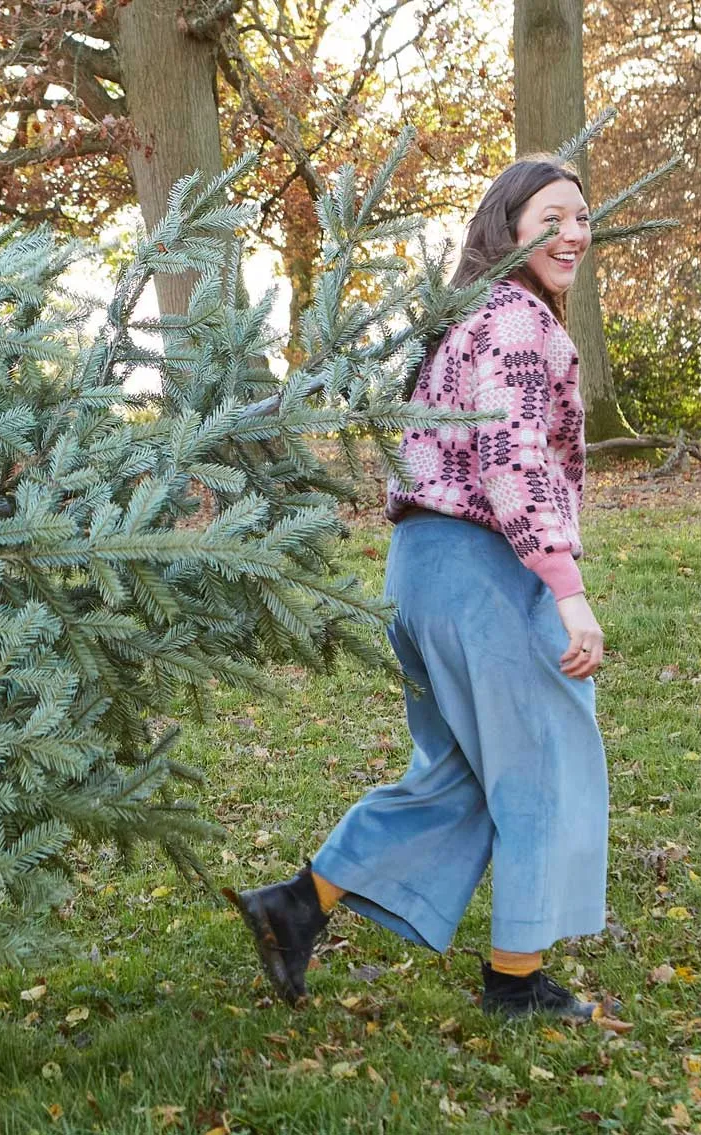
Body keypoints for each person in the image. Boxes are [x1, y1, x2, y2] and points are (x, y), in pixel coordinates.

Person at [226, 156, 614, 1020]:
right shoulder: (515, 318)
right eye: (552, 216)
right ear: (508, 226)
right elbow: (509, 456)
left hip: (426, 565)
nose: (574, 233)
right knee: (542, 763)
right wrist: (567, 587)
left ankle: (294, 908)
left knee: (463, 775)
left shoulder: (472, 311)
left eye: (583, 217)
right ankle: (516, 983)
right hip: (481, 570)